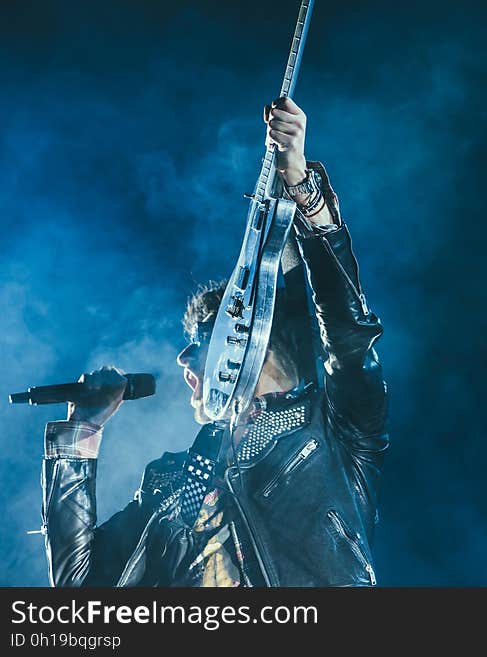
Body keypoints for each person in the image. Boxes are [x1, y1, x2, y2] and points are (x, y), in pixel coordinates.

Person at [39, 98, 388, 587]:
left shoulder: (331, 429)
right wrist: (82, 435)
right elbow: (79, 593)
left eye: (203, 339)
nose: (183, 357)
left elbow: (348, 338)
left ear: (250, 343)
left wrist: (305, 194)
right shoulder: (169, 481)